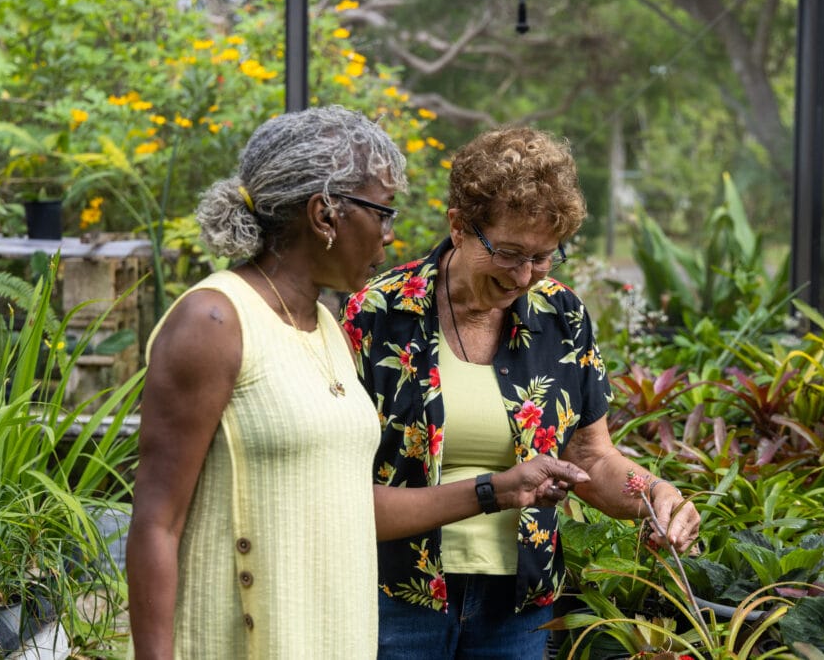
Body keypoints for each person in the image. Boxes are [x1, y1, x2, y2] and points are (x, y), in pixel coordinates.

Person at [125, 106, 593, 659]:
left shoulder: (323, 327)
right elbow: (156, 521)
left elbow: (348, 502)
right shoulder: (214, 321)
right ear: (325, 216)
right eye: (383, 213)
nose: (391, 237)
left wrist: (499, 489)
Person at [342, 126, 702, 659]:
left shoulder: (563, 316)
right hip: (396, 593)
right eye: (509, 253)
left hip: (519, 603)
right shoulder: (378, 313)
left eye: (543, 257)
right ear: (460, 227)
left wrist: (654, 495)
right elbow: (340, 478)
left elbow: (591, 456)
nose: (524, 276)